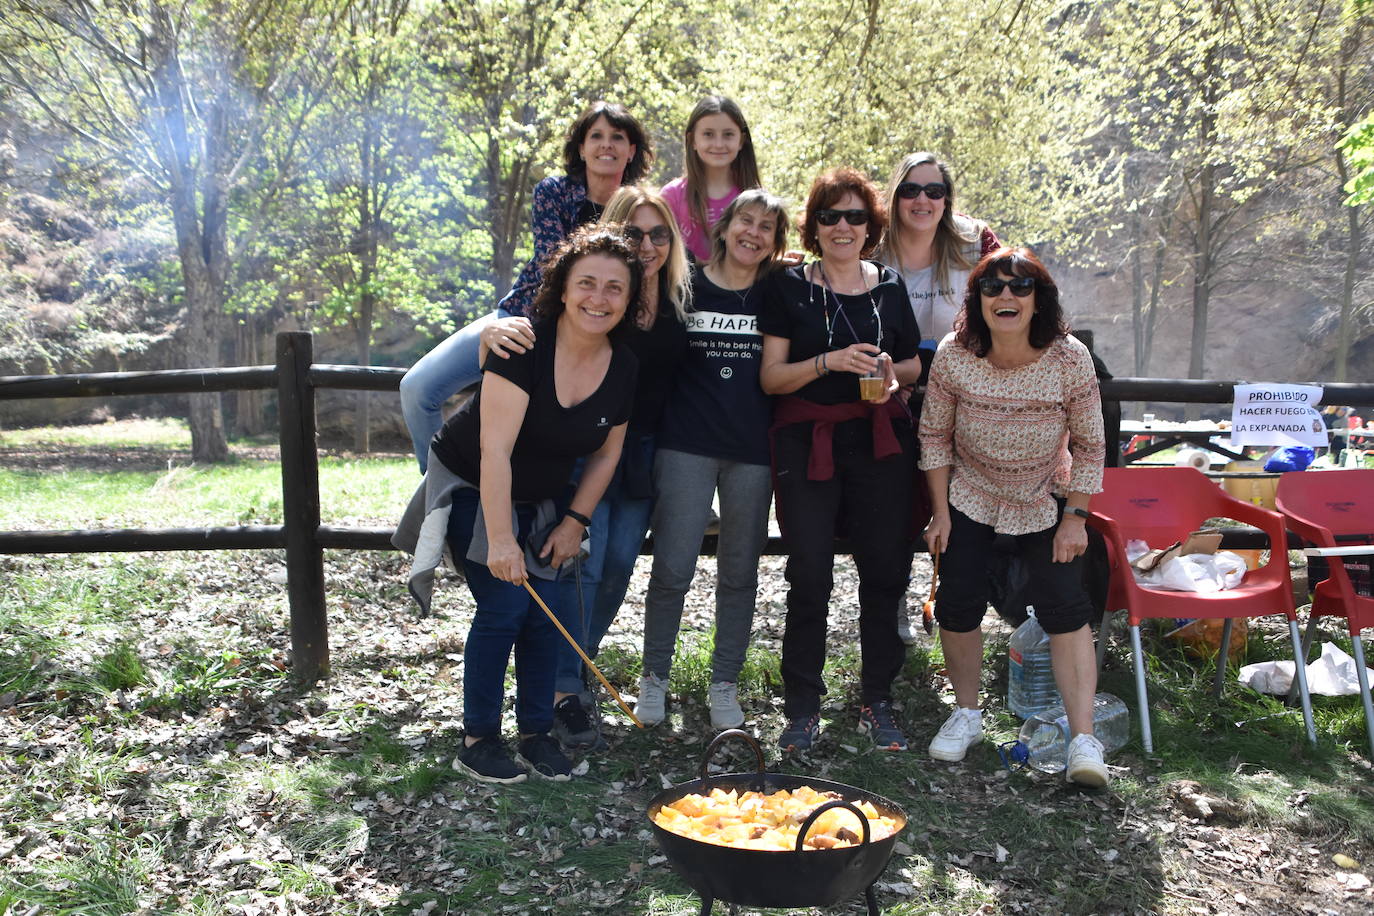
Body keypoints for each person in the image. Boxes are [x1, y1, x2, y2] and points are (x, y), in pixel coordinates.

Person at [392, 226, 641, 784]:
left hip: (544, 496)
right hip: (472, 482)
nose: (598, 298)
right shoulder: (522, 344)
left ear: (629, 300)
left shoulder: (624, 365)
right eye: (587, 283)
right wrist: (501, 540)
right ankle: (477, 740)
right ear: (563, 288)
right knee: (505, 606)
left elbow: (607, 454)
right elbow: (494, 451)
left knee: (543, 613)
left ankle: (535, 734)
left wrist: (574, 523)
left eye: (614, 288)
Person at [919, 246, 1109, 787]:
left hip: (1045, 494)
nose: (1006, 295)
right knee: (957, 603)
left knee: (1066, 607)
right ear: (978, 300)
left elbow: (1091, 445)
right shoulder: (955, 354)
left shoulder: (1069, 358)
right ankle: (967, 714)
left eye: (1020, 286)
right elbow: (934, 435)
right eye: (993, 287)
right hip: (971, 492)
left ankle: (1083, 740)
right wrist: (939, 513)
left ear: (1038, 299)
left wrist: (1076, 519)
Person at [759, 168, 923, 753]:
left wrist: (890, 373)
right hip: (808, 442)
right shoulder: (788, 287)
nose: (842, 227)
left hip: (880, 442)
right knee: (809, 573)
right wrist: (827, 362)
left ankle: (877, 699)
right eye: (830, 216)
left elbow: (913, 364)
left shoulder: (890, 286)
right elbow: (772, 378)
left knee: (884, 571)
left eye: (855, 216)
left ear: (871, 226)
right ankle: (802, 706)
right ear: (815, 226)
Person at [399, 102, 652, 469]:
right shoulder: (554, 191)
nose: (606, 145)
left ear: (632, 150)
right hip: (521, 317)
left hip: (591, 338)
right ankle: (436, 484)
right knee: (417, 388)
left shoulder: (640, 208)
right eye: (596, 136)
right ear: (581, 148)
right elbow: (555, 263)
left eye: (617, 137)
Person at [538, 187, 691, 748]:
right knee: (586, 562)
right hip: (591, 446)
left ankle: (577, 668)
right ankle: (561, 688)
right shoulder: (602, 299)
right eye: (634, 233)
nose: (647, 245)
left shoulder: (680, 301)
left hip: (644, 452)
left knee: (621, 564)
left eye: (659, 234)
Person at [638, 189, 790, 730]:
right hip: (686, 446)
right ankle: (654, 676)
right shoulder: (685, 284)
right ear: (724, 227)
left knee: (740, 573)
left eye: (767, 227)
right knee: (672, 568)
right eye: (746, 220)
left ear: (776, 242)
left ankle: (724, 682)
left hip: (752, 452)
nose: (754, 232)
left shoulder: (779, 291)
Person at [873, 153, 1001, 645]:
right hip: (894, 387)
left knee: (961, 502)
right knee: (898, 500)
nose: (922, 200)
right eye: (910, 190)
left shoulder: (975, 241)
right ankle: (895, 603)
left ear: (947, 199)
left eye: (934, 191)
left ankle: (956, 606)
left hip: (963, 384)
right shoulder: (872, 241)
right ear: (895, 196)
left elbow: (1012, 291)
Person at [661, 96, 762, 262]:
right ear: (692, 140)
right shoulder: (672, 196)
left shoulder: (755, 198)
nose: (719, 144)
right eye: (708, 134)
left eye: (728, 135)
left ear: (741, 141)